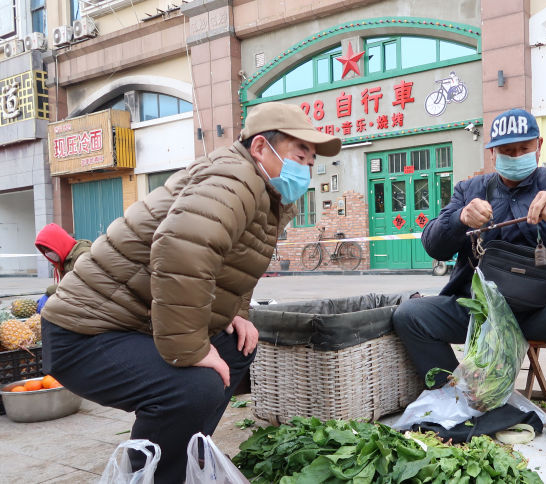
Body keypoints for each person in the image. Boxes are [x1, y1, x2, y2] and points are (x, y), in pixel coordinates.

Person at [40, 102, 341, 482]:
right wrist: (192, 350)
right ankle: (154, 474)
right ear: (262, 147)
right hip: (84, 332)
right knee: (195, 386)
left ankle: (185, 455)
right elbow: (179, 249)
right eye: (301, 155)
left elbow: (226, 265)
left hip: (131, 322)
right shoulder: (234, 179)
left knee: (236, 346)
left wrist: (235, 314)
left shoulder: (262, 191)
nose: (307, 169)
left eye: (312, 161)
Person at [393, 108, 546, 457]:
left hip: (544, 311)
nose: (515, 157)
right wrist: (459, 219)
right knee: (410, 314)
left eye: (523, 148)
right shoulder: (469, 189)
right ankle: (460, 395)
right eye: (506, 151)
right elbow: (432, 244)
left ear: (539, 145)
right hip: (480, 314)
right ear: (492, 153)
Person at [33, 223, 92, 311]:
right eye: (44, 250)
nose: (47, 253)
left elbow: (78, 284)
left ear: (57, 243)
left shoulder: (82, 255)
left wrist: (50, 292)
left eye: (48, 249)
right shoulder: (64, 261)